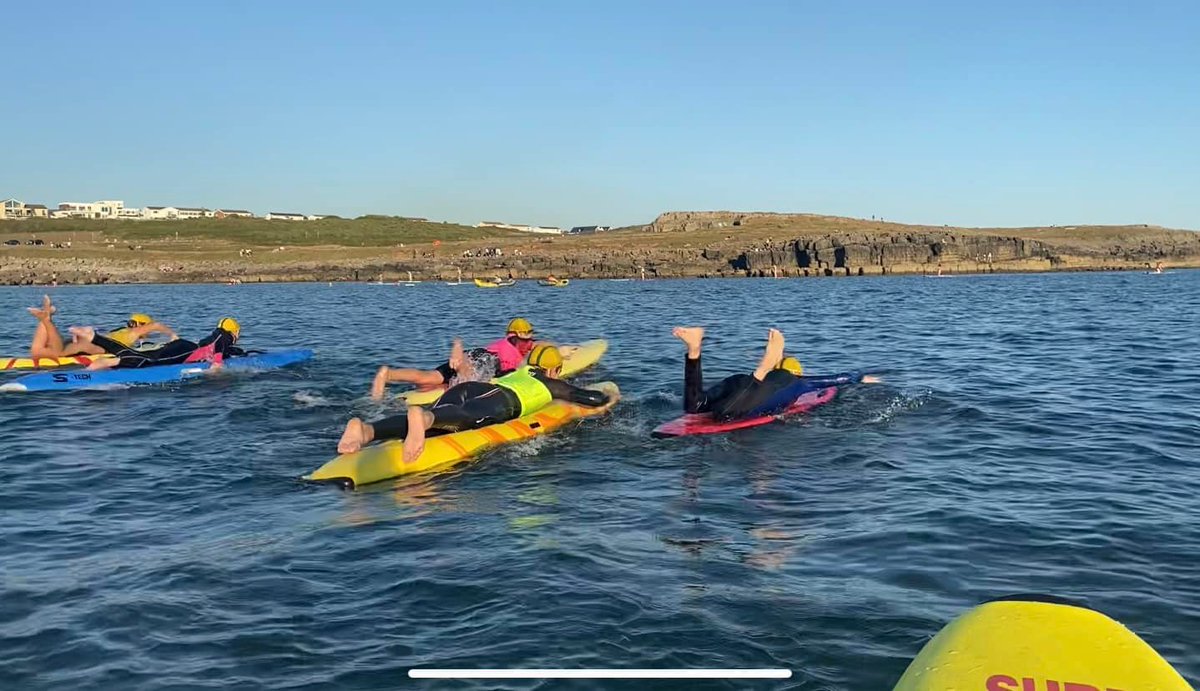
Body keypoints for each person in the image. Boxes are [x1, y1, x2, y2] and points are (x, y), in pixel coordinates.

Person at [340, 343, 614, 459]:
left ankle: (367, 431)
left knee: (441, 423)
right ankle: (421, 417)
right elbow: (590, 398)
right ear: (555, 370)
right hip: (500, 402)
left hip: (472, 388)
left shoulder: (519, 372)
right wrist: (609, 396)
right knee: (465, 418)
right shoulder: (551, 383)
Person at [673, 326, 879, 420]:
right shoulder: (798, 382)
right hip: (751, 388)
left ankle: (694, 350)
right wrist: (861, 378)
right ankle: (764, 365)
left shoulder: (780, 380)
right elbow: (835, 379)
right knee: (726, 415)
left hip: (740, 382)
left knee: (694, 407)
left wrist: (858, 376)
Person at [370, 317, 539, 400]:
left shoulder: (503, 344)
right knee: (467, 376)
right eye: (525, 340)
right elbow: (509, 377)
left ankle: (388, 374)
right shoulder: (510, 353)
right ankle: (458, 350)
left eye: (530, 340)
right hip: (482, 361)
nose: (529, 344)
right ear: (514, 338)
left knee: (427, 378)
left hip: (473, 355)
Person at [26, 294, 176, 358]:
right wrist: (173, 336)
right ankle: (46, 320)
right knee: (59, 352)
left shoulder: (122, 331)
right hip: (96, 347)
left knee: (37, 351)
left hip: (91, 341)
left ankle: (46, 316)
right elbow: (156, 325)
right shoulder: (134, 333)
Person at [69, 318, 243, 370]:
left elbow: (221, 348)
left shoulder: (217, 336)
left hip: (184, 347)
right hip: (186, 351)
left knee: (145, 355)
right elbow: (218, 345)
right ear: (233, 332)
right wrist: (217, 368)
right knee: (149, 360)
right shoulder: (224, 336)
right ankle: (97, 340)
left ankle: (97, 344)